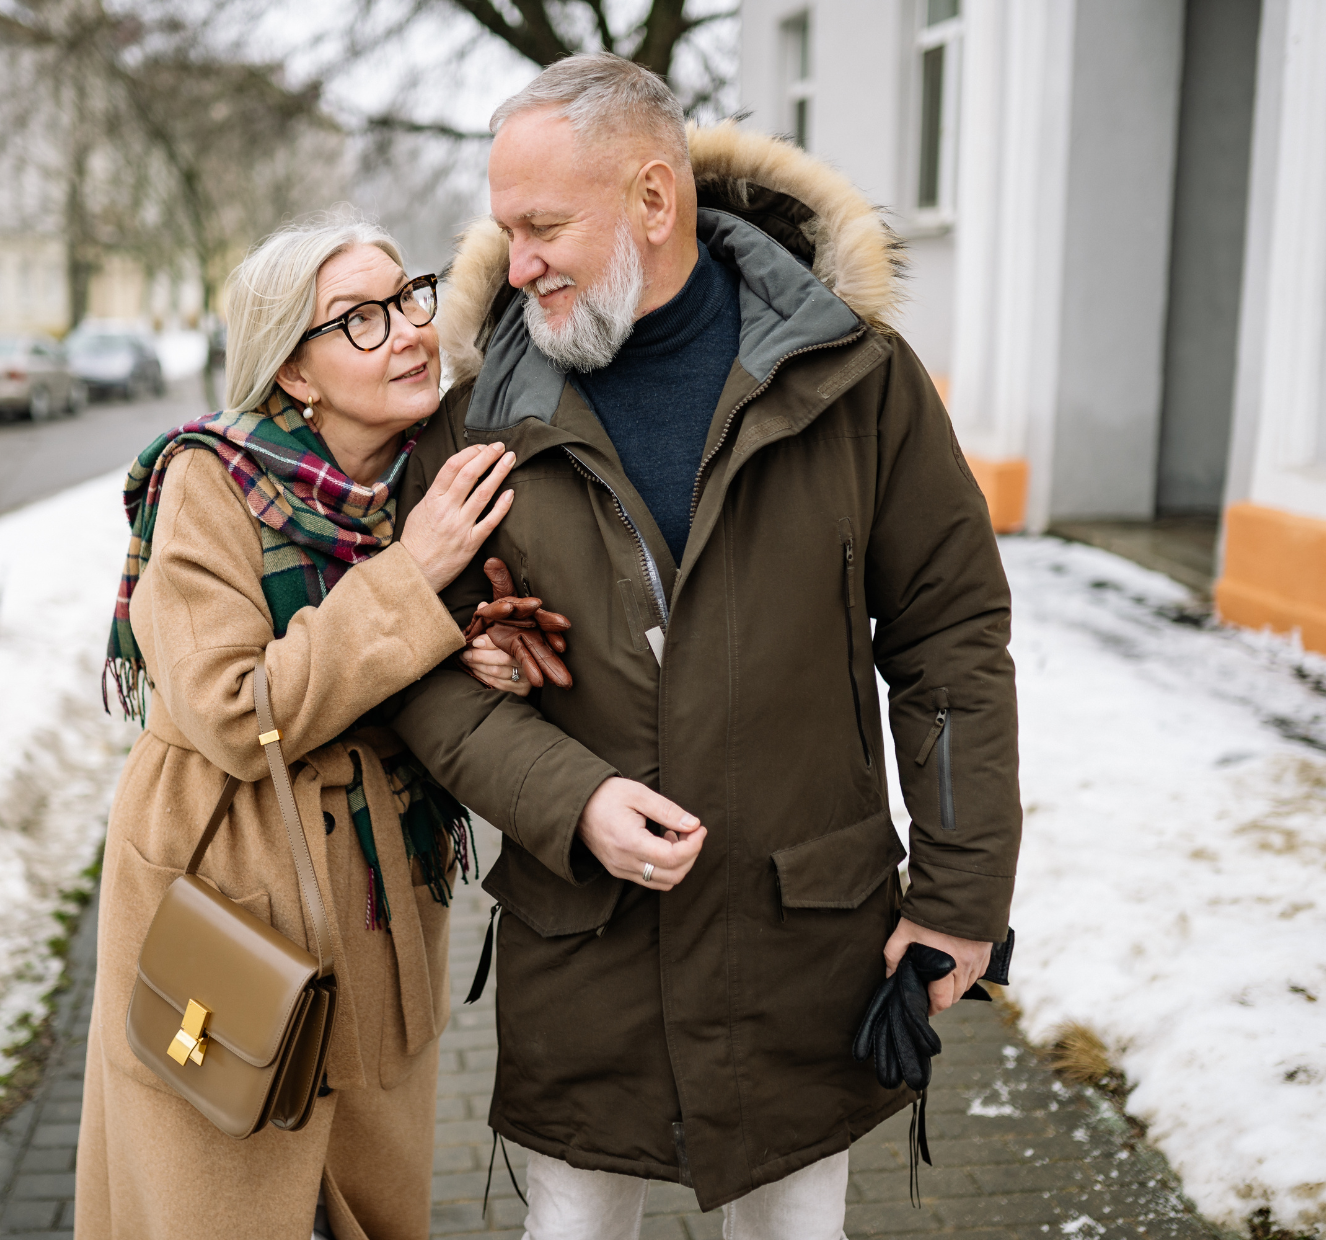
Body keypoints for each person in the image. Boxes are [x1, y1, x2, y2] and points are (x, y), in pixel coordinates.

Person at [392, 53, 1022, 1240]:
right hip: (583, 948)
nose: (515, 264)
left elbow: (949, 638)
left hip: (801, 943)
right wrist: (568, 798)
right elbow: (417, 667)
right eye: (503, 230)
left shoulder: (854, 378)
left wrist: (958, 897)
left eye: (541, 226)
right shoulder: (475, 413)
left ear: (650, 198)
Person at [76, 215, 538, 1240]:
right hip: (226, 883)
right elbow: (236, 712)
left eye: (406, 297)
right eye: (359, 320)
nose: (409, 330)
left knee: (364, 1198)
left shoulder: (426, 479)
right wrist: (412, 578)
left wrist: (481, 663)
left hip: (377, 893)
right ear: (293, 371)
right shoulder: (207, 483)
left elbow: (402, 668)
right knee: (224, 1193)